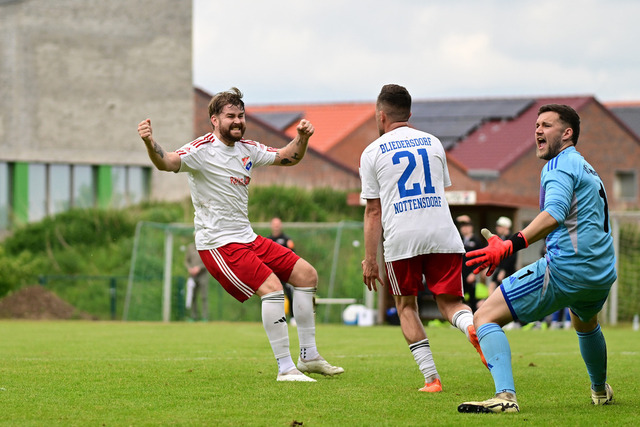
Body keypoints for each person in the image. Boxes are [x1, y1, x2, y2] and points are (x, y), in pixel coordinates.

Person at [137, 87, 343, 382]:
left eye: (241, 115)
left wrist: (302, 137)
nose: (237, 121)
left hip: (247, 238)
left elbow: (288, 157)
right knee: (272, 288)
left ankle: (309, 357)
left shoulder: (248, 149)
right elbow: (166, 162)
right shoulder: (201, 150)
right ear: (214, 120)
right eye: (230, 116)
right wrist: (150, 142)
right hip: (218, 243)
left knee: (306, 275)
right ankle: (286, 369)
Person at [458, 104, 616, 413]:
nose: (538, 131)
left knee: (484, 316)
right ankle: (600, 390)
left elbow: (554, 213)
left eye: (546, 125)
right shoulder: (587, 168)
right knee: (585, 323)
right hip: (600, 274)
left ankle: (505, 397)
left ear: (567, 133)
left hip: (566, 270)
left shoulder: (559, 165)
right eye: (536, 126)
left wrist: (510, 244)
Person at [360, 84, 487, 393]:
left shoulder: (372, 152)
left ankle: (432, 379)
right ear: (409, 113)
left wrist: (370, 260)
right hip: (443, 233)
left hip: (403, 238)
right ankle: (471, 327)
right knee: (451, 303)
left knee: (406, 306)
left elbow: (374, 211)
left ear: (381, 115)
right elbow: (440, 190)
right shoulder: (433, 143)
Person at [267, 217, 296, 322]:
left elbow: (293, 255)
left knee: (289, 294)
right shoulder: (267, 240)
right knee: (272, 296)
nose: (276, 227)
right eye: (274, 224)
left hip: (285, 272)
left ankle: (293, 318)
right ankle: (274, 317)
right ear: (271, 226)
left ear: (281, 226)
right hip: (272, 274)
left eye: (278, 224)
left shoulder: (287, 240)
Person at [457, 215, 484, 311]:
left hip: (471, 274)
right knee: (459, 298)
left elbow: (481, 258)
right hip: (460, 274)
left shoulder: (476, 241)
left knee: (472, 298)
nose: (464, 229)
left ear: (471, 227)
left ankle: (474, 316)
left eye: (466, 226)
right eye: (462, 226)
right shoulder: (459, 240)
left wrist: (474, 273)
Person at [489, 216, 517, 295]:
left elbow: (512, 257)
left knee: (506, 291)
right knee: (492, 287)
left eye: (500, 226)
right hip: (499, 269)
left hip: (508, 271)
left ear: (506, 227)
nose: (497, 228)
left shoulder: (512, 239)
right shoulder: (500, 239)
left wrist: (504, 270)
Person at [184, 241, 209, 321]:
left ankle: (204, 317)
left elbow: (208, 261)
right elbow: (186, 261)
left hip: (203, 275)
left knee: (204, 297)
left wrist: (199, 268)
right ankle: (193, 316)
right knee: (192, 296)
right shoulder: (190, 247)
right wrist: (190, 268)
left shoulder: (206, 246)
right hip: (192, 276)